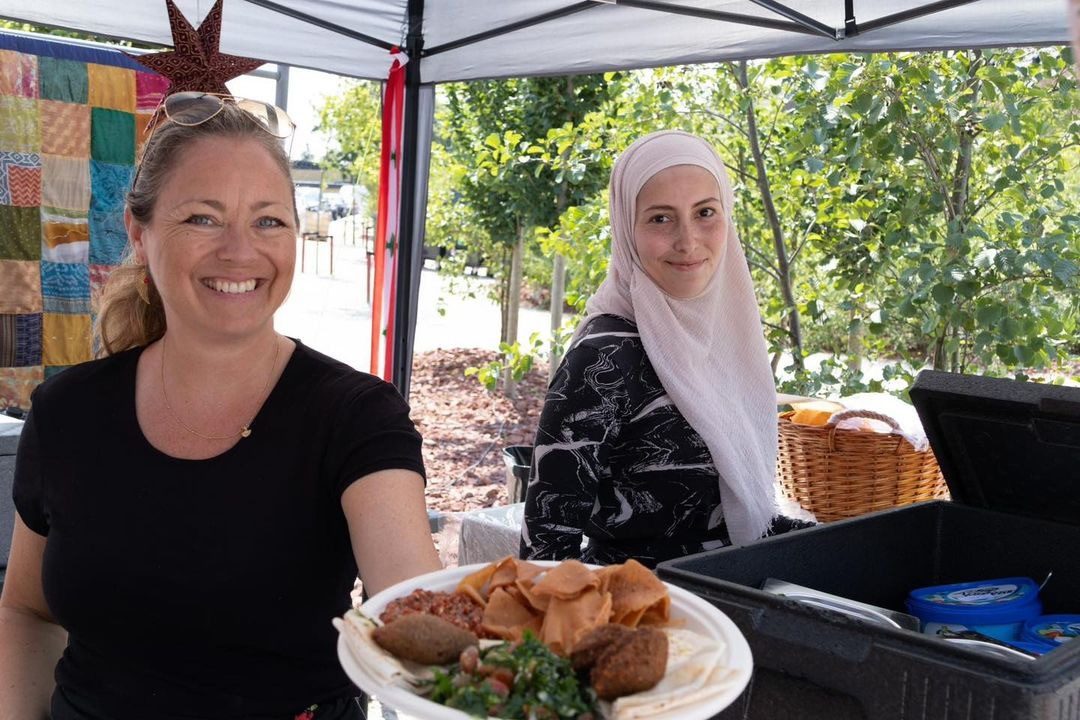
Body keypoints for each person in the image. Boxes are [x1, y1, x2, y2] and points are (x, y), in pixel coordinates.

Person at [0, 94, 442, 720]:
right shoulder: (67, 411)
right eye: (203, 219)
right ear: (138, 231)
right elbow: (27, 609)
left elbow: (414, 613)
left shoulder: (354, 416)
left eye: (269, 221)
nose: (240, 251)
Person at [521, 130, 808, 569]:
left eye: (705, 212)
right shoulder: (604, 356)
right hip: (641, 618)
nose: (688, 241)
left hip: (738, 599)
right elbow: (543, 553)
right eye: (660, 218)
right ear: (625, 228)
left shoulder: (728, 332)